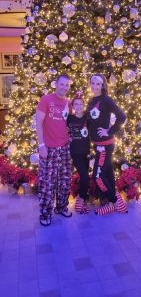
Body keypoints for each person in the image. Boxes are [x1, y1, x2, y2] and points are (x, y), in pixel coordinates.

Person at [87, 73, 127, 215]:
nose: (95, 86)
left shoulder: (106, 100)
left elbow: (122, 117)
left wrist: (109, 131)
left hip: (105, 145)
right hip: (98, 145)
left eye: (98, 84)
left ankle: (116, 202)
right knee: (108, 174)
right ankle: (109, 202)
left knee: (97, 176)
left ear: (103, 85)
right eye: (93, 83)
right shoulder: (92, 100)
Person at [36, 74, 72, 226]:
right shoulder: (46, 100)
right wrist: (41, 145)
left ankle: (61, 206)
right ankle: (45, 212)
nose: (64, 87)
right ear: (56, 84)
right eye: (62, 84)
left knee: (64, 179)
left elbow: (70, 123)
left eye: (67, 85)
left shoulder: (69, 103)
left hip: (64, 148)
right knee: (47, 182)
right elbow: (38, 122)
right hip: (48, 148)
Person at [67, 92, 90, 213]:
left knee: (84, 177)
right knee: (85, 177)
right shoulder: (69, 118)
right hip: (75, 153)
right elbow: (61, 130)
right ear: (73, 106)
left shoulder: (88, 117)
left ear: (83, 105)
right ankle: (80, 201)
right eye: (76, 104)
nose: (78, 106)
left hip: (86, 153)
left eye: (80, 104)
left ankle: (84, 199)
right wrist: (67, 137)